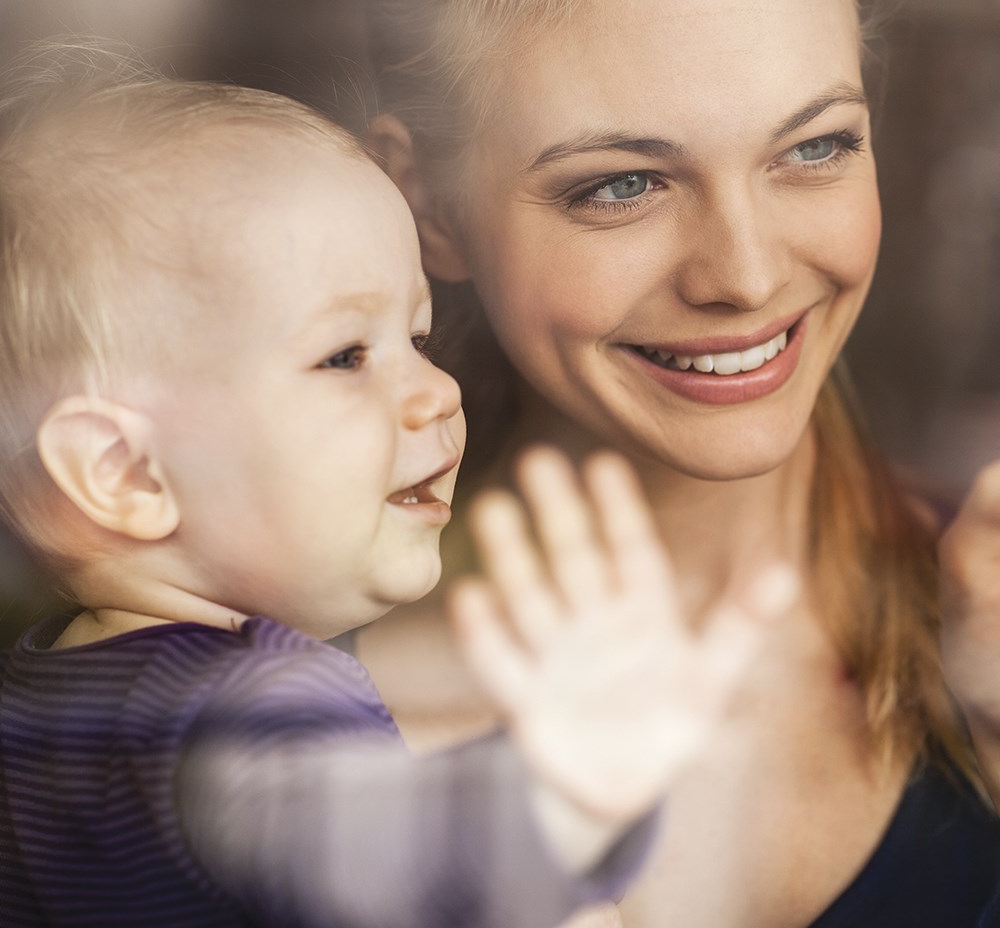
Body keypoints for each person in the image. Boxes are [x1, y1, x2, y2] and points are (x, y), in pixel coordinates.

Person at [0, 45, 791, 927]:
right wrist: (565, 798)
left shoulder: (47, 710)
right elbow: (404, 869)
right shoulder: (254, 704)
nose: (438, 392)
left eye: (416, 341)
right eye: (345, 356)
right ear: (125, 472)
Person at [359, 0, 1000, 924]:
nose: (743, 275)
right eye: (622, 183)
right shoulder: (251, 719)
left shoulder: (979, 616)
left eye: (814, 146)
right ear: (427, 204)